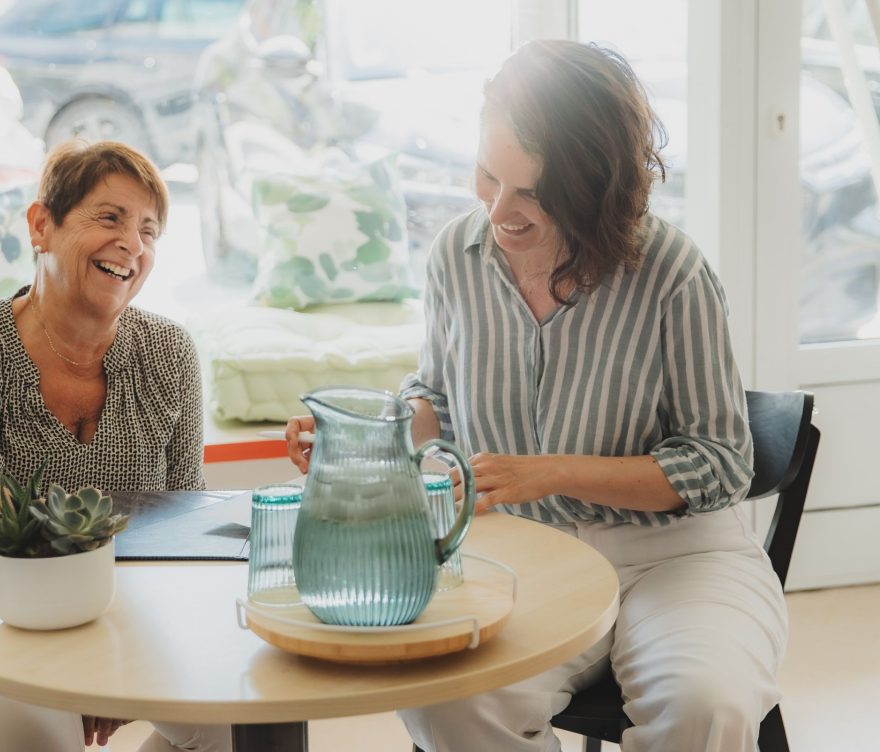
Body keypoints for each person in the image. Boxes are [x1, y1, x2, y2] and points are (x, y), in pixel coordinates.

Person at [284, 40, 786, 752]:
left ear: (593, 189)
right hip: (530, 555)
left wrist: (552, 469)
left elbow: (720, 463)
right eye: (488, 176)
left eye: (533, 193)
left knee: (702, 706)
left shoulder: (672, 272)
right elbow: (438, 404)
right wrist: (357, 441)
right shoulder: (455, 259)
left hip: (678, 558)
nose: (498, 211)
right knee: (449, 704)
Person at [0, 140, 230, 752]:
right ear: (41, 226)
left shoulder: (169, 352)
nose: (133, 243)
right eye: (109, 217)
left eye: (149, 230)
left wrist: (125, 651)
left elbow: (183, 513)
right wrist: (93, 669)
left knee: (236, 724)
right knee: (37, 740)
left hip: (100, 601)